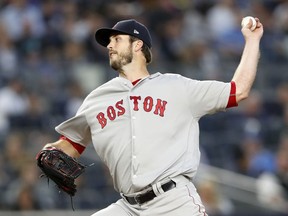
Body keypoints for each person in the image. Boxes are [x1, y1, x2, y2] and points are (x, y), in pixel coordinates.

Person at [38, 18, 264, 216]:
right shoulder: (96, 99)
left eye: (116, 39)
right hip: (128, 206)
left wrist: (252, 41)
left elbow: (238, 91)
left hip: (173, 202)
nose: (109, 45)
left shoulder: (177, 87)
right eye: (109, 42)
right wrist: (52, 150)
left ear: (137, 45)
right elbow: (71, 144)